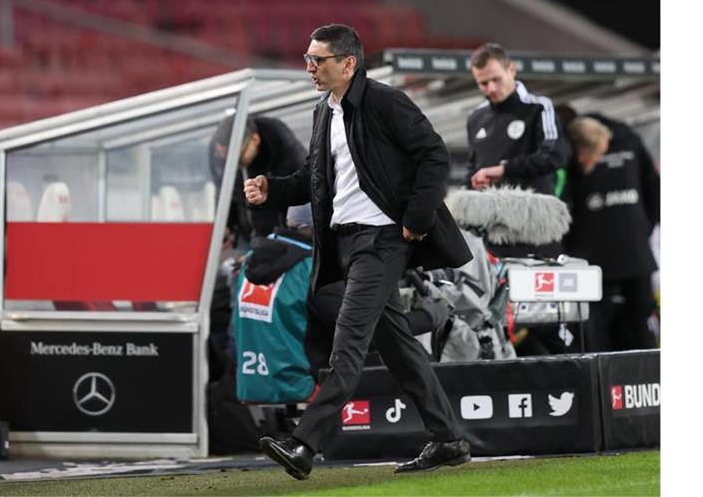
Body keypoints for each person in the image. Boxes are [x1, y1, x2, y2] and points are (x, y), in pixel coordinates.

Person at [243, 23, 473, 479]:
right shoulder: (322, 111)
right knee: (397, 346)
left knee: (347, 342)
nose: (309, 66)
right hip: (346, 242)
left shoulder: (385, 101)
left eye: (318, 59)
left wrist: (416, 220)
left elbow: (434, 155)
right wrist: (271, 189)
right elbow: (312, 179)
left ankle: (305, 443)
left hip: (384, 241)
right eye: (307, 58)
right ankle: (448, 439)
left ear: (348, 63)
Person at [562, 115, 659, 351]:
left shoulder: (627, 140)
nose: (594, 161)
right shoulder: (569, 155)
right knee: (629, 320)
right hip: (624, 257)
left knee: (603, 326)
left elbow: (655, 191)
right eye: (593, 157)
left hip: (604, 259)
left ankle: (626, 378)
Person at [466, 43, 570, 196]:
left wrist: (504, 169)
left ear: (512, 70)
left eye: (496, 79)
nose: (491, 88)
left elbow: (554, 155)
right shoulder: (476, 116)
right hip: (489, 214)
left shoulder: (539, 107)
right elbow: (473, 168)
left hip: (532, 211)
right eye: (484, 83)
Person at [209, 114, 307, 247]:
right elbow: (223, 192)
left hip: (286, 234)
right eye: (225, 158)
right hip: (248, 237)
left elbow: (305, 179)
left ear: (255, 139)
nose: (233, 165)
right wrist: (226, 226)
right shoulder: (219, 154)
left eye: (238, 157)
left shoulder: (279, 140)